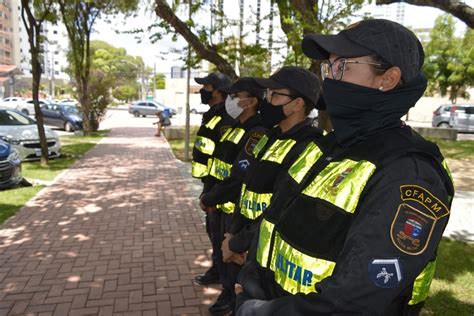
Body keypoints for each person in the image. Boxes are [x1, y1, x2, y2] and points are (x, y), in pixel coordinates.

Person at [235, 19, 454, 316]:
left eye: (342, 66)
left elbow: (353, 302)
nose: (330, 80)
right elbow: (277, 216)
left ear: (387, 79)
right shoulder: (327, 147)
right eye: (329, 67)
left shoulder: (409, 173)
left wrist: (258, 311)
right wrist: (251, 277)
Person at [221, 67, 325, 273]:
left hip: (266, 252)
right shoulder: (270, 136)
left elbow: (281, 208)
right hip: (245, 241)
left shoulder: (309, 147)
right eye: (267, 93)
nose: (267, 101)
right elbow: (246, 186)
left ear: (297, 104)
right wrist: (232, 235)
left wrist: (238, 244)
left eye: (275, 94)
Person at [200, 77, 266, 315]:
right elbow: (219, 165)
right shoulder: (235, 127)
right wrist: (209, 195)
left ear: (251, 102)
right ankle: (227, 291)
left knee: (232, 258)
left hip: (233, 208)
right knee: (221, 252)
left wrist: (210, 198)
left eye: (235, 96)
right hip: (219, 205)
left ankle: (231, 297)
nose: (231, 101)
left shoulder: (257, 133)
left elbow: (239, 176)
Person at [192, 72, 235, 287]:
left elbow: (224, 162)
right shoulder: (213, 114)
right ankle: (217, 269)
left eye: (207, 86)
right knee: (213, 234)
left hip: (220, 191)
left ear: (218, 91)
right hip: (210, 187)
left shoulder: (227, 120)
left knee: (220, 238)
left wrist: (212, 195)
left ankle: (227, 291)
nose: (203, 90)